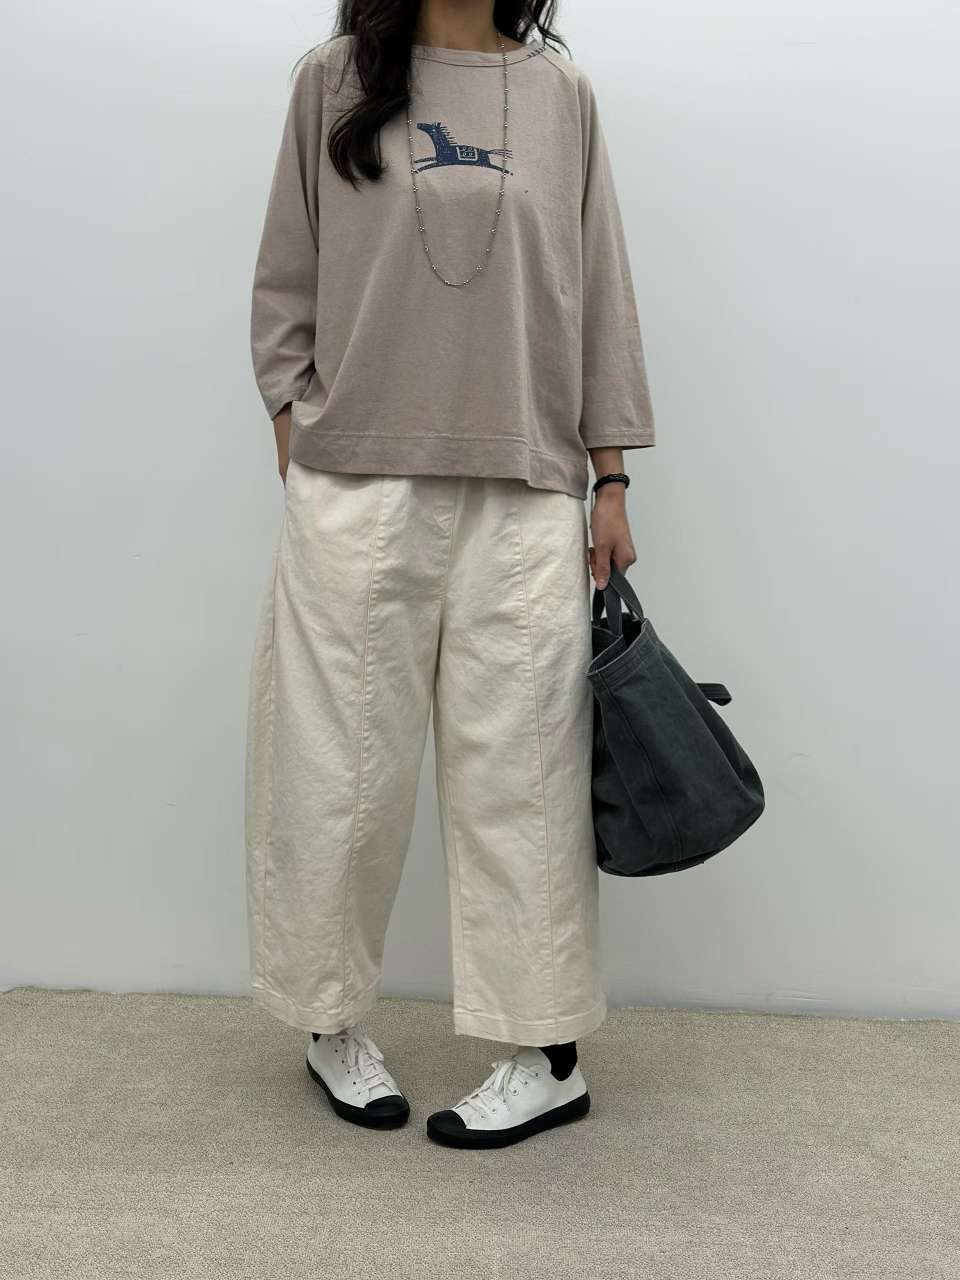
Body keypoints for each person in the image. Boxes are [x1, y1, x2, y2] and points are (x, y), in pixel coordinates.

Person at [245, 0, 655, 1151]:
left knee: (527, 781)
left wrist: (612, 476)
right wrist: (294, 430)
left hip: (524, 484)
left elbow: (602, 286)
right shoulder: (334, 79)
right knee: (337, 772)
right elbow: (284, 275)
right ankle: (330, 1020)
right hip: (356, 480)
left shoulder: (561, 94)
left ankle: (546, 1054)